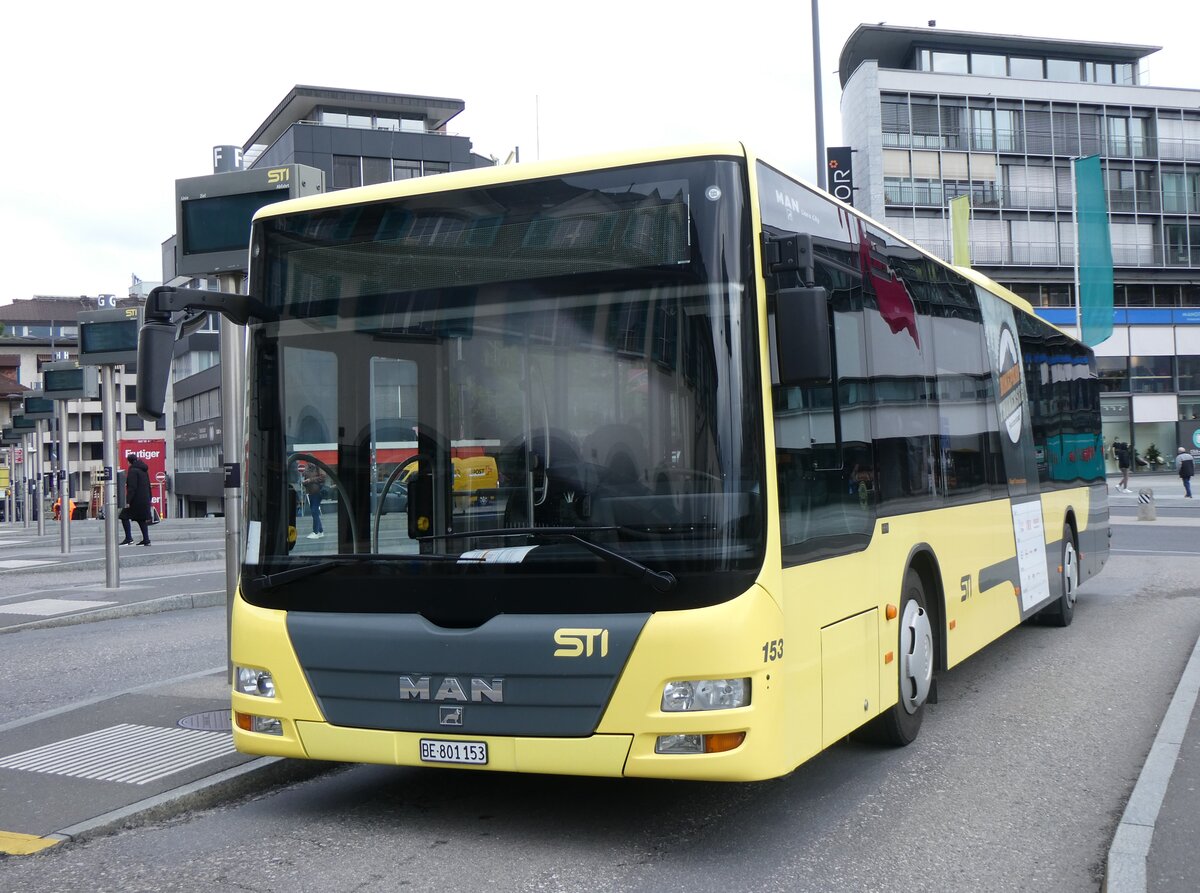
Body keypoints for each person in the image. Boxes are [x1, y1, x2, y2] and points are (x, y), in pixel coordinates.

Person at [118, 453, 153, 545]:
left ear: (129, 462)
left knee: (123, 516)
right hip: (144, 499)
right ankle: (146, 540)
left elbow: (132, 487)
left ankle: (129, 538)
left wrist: (128, 500)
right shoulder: (144, 470)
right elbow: (148, 485)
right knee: (141, 519)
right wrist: (150, 498)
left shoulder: (133, 471)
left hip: (136, 500)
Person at [302, 462, 326, 539]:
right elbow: (306, 482)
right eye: (307, 463)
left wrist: (310, 480)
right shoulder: (307, 469)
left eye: (309, 462)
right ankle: (321, 532)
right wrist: (305, 482)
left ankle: (315, 532)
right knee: (314, 512)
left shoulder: (318, 466)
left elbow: (323, 477)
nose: (308, 464)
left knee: (314, 511)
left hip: (318, 492)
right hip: (311, 493)